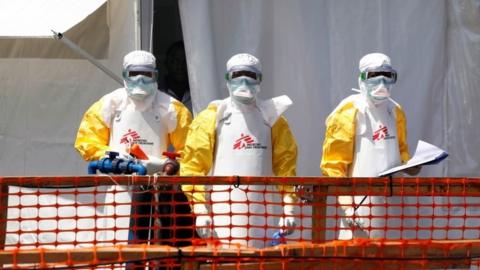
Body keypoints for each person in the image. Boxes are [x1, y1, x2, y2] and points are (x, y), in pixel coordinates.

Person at [74, 50, 193, 247]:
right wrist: (112, 157)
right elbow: (86, 141)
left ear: (155, 75)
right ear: (124, 74)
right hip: (119, 186)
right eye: (134, 74)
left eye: (147, 74)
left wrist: (166, 164)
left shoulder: (172, 108)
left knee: (156, 247)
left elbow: (191, 151)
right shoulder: (110, 104)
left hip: (158, 187)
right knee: (117, 243)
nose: (140, 80)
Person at [180, 53, 299, 248]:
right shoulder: (212, 117)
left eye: (250, 75)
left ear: (259, 80)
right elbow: (193, 167)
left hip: (265, 214)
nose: (244, 81)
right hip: (222, 213)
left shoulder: (273, 119)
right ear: (227, 79)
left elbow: (286, 167)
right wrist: (200, 210)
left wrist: (289, 208)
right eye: (237, 74)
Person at [320, 52, 420, 239]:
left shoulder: (395, 110)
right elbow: (334, 166)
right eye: (373, 76)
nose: (381, 82)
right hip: (360, 206)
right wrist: (349, 207)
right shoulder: (350, 110)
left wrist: (411, 165)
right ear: (362, 78)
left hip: (393, 203)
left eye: (387, 75)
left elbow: (401, 150)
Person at [161, 41, 192, 112]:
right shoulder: (157, 92)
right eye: (175, 61)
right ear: (166, 64)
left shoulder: (198, 92)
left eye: (184, 61)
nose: (180, 66)